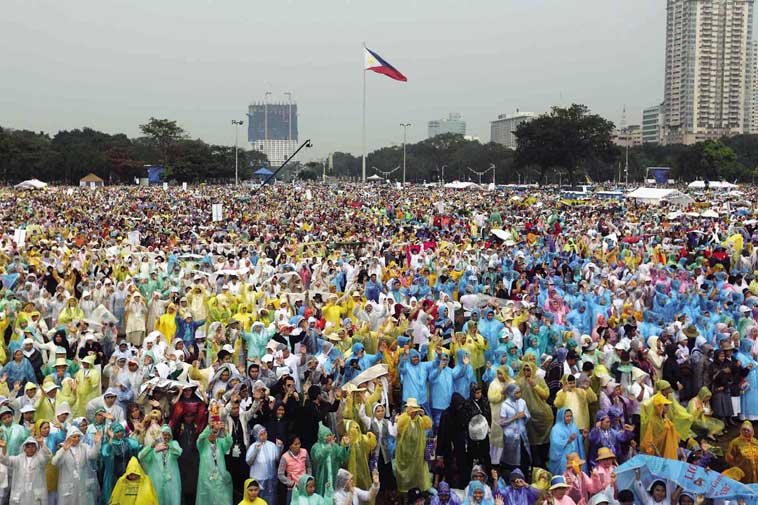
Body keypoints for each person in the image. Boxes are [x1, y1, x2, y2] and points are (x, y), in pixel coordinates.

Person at [52, 426, 102, 505]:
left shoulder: (84, 447)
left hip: (81, 484)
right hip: (67, 485)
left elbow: (93, 455)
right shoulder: (63, 447)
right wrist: (63, 450)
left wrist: (96, 444)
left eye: (78, 436)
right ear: (69, 437)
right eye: (74, 437)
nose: (77, 439)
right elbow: (54, 462)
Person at [395, 398, 433, 494]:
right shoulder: (403, 419)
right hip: (405, 452)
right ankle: (405, 494)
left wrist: (424, 415)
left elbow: (428, 425)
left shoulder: (419, 420)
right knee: (405, 475)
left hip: (418, 453)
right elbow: (399, 427)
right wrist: (407, 414)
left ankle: (419, 493)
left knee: (418, 473)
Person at [0, 435, 51, 505]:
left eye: (33, 446)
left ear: (36, 447)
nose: (30, 449)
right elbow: (5, 461)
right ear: (24, 448)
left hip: (35, 494)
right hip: (20, 494)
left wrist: (42, 443)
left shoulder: (40, 459)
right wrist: (4, 448)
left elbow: (47, 456)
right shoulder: (18, 459)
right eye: (28, 447)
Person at [138, 425, 182, 505]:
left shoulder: (174, 444)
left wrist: (169, 447)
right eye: (164, 434)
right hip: (156, 481)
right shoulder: (154, 447)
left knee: (173, 500)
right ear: (160, 435)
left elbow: (178, 452)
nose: (167, 437)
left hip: (172, 481)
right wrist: (151, 446)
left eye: (169, 435)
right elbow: (141, 456)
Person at [196, 420, 233, 505]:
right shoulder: (202, 444)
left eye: (215, 432)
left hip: (220, 477)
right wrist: (209, 427)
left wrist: (225, 431)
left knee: (223, 500)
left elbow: (229, 442)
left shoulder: (220, 442)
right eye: (211, 432)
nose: (213, 434)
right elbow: (200, 438)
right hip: (206, 479)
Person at [499, 384, 531, 476]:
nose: (519, 394)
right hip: (511, 436)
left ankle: (524, 476)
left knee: (524, 457)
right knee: (513, 459)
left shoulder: (522, 402)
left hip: (522, 433)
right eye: (516, 393)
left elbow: (528, 415)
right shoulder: (505, 405)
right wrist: (514, 417)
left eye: (520, 392)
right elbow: (501, 422)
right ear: (510, 393)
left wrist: (524, 415)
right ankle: (514, 478)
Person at [246, 425, 282, 505]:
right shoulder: (253, 447)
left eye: (265, 433)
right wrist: (256, 451)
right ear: (256, 435)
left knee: (271, 498)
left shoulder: (271, 445)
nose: (264, 436)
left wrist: (279, 447)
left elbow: (277, 458)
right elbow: (248, 461)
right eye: (261, 434)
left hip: (271, 478)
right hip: (259, 479)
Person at [641, 393, 680, 460]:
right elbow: (648, 440)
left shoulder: (665, 419)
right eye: (665, 405)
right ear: (659, 406)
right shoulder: (652, 421)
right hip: (657, 454)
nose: (668, 407)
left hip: (667, 450)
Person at [548, 408, 584, 475]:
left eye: (570, 416)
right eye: (567, 416)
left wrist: (583, 436)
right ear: (562, 417)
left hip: (574, 454)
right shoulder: (556, 429)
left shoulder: (573, 426)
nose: (569, 418)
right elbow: (555, 443)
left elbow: (577, 440)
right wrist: (568, 440)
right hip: (563, 456)